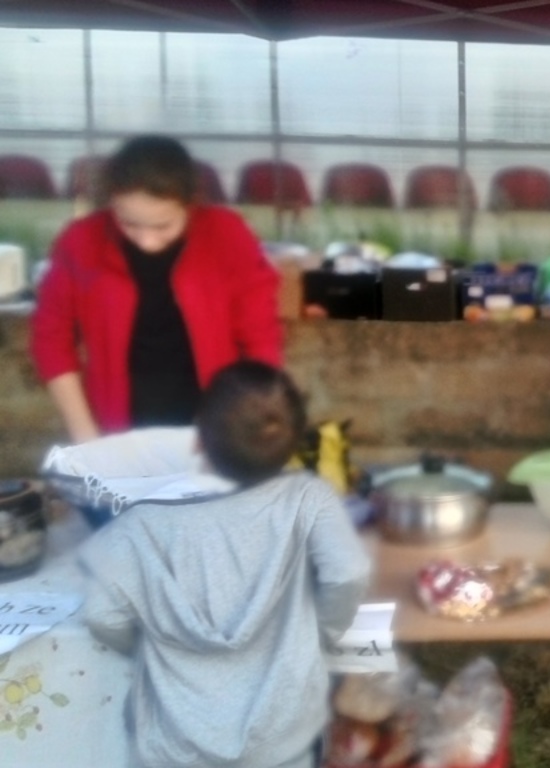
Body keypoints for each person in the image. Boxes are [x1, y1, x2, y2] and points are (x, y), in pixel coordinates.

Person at [78, 361, 371, 768]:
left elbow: (102, 613)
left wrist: (147, 643)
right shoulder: (310, 499)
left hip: (175, 745)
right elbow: (349, 573)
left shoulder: (146, 516)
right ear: (293, 445)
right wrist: (323, 631)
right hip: (280, 742)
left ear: (198, 439)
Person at [30, 135, 282, 444]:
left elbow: (260, 338)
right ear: (112, 203)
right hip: (117, 428)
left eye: (163, 226)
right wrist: (86, 436)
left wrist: (247, 420)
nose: (147, 242)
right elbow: (52, 340)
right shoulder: (81, 242)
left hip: (215, 423)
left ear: (190, 205)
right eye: (129, 223)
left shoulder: (227, 235)